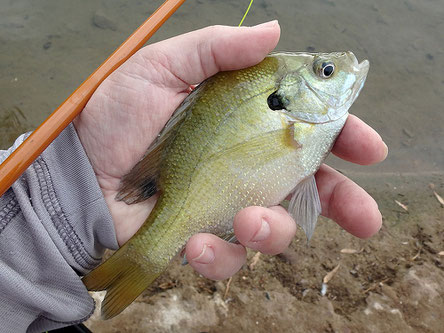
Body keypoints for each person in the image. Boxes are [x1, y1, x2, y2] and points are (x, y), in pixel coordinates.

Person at [0, 21, 387, 332]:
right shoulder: (291, 110)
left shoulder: (297, 116)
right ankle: (141, 257)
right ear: (287, 94)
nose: (336, 71)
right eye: (327, 71)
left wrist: (61, 191)